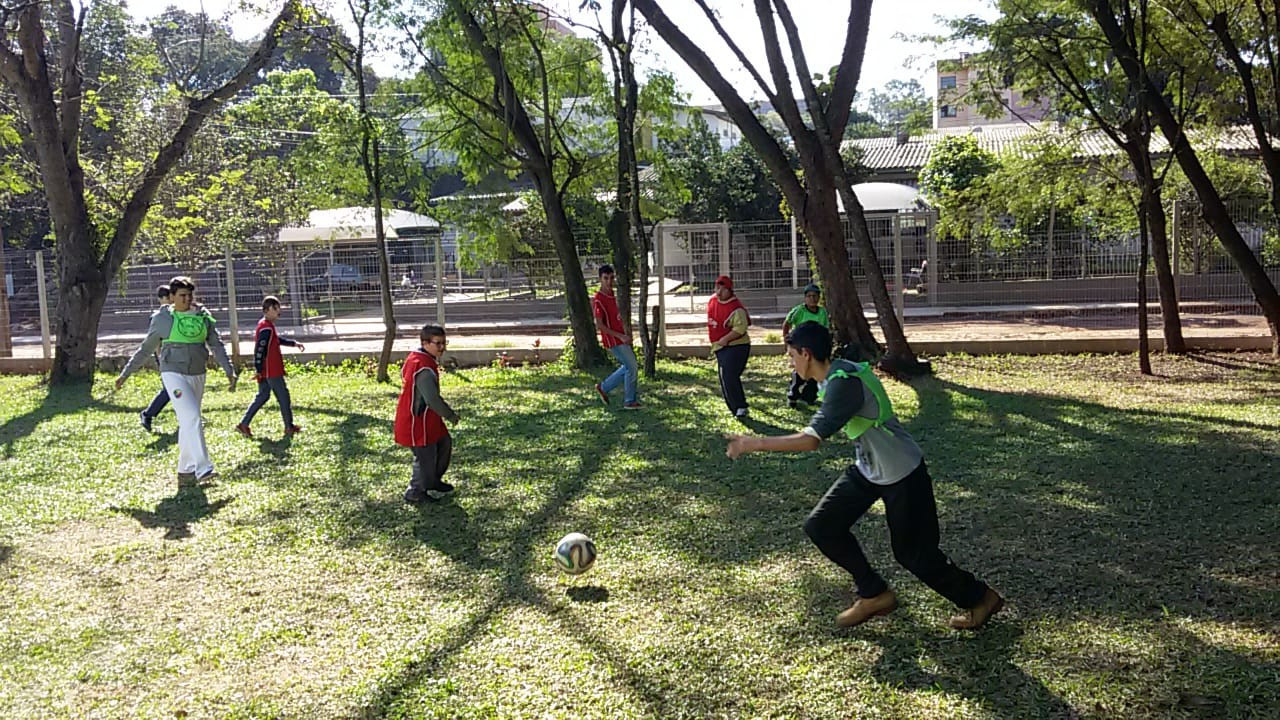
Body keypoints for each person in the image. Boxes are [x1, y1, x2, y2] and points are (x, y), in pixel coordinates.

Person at [725, 322, 1004, 631]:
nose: (790, 363)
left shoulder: (844, 384)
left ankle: (981, 598)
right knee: (822, 526)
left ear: (806, 354)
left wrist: (753, 444)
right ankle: (873, 593)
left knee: (914, 555)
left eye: (791, 355)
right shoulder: (834, 375)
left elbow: (810, 441)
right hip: (870, 469)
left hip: (901, 472)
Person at [117, 276, 238, 482]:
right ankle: (203, 468)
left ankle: (185, 470)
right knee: (192, 417)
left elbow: (216, 345)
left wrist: (229, 370)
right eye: (182, 295)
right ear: (172, 297)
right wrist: (125, 374)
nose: (187, 299)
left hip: (197, 373)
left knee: (187, 421)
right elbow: (146, 349)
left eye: (190, 295)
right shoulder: (163, 319)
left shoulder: (203, 316)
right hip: (172, 373)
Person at [395, 324, 461, 504]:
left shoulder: (420, 358)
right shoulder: (422, 365)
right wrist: (450, 415)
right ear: (425, 343)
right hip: (417, 419)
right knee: (425, 456)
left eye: (444, 343)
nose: (442, 347)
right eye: (437, 343)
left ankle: (432, 481)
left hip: (428, 418)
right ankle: (415, 491)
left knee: (444, 442)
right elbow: (431, 398)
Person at [235, 296, 305, 438]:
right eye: (276, 308)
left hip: (266, 370)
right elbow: (260, 349)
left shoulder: (266, 325)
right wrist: (259, 369)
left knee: (263, 396)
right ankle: (289, 426)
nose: (279, 311)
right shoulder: (266, 328)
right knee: (283, 396)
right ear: (268, 310)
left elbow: (275, 340)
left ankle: (243, 424)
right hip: (271, 370)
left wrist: (293, 343)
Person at [591, 264, 640, 410]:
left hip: (620, 337)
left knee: (629, 366)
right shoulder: (599, 299)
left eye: (611, 278)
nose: (609, 281)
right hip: (613, 340)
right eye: (605, 278)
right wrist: (620, 336)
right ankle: (629, 401)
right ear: (600, 279)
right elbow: (600, 325)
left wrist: (624, 333)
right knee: (632, 367)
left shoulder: (612, 294)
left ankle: (604, 387)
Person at [707, 274, 751, 419]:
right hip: (719, 347)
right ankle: (734, 407)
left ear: (730, 291)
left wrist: (725, 339)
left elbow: (740, 329)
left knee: (729, 376)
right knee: (724, 378)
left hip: (737, 346)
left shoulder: (736, 308)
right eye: (717, 288)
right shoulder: (713, 300)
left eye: (723, 289)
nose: (719, 292)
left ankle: (740, 406)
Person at [782, 283, 829, 408]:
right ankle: (793, 395)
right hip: (800, 347)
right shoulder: (799, 310)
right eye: (809, 296)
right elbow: (787, 323)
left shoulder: (822, 312)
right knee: (799, 373)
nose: (812, 299)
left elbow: (825, 328)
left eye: (815, 296)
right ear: (805, 298)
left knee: (815, 372)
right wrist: (786, 339)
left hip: (815, 347)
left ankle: (809, 396)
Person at [138, 284, 173, 432]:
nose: (170, 300)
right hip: (164, 357)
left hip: (174, 356)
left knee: (178, 389)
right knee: (170, 390)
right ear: (161, 299)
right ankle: (147, 414)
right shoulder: (157, 317)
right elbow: (155, 340)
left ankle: (189, 416)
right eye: (167, 297)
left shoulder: (174, 314)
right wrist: (160, 357)